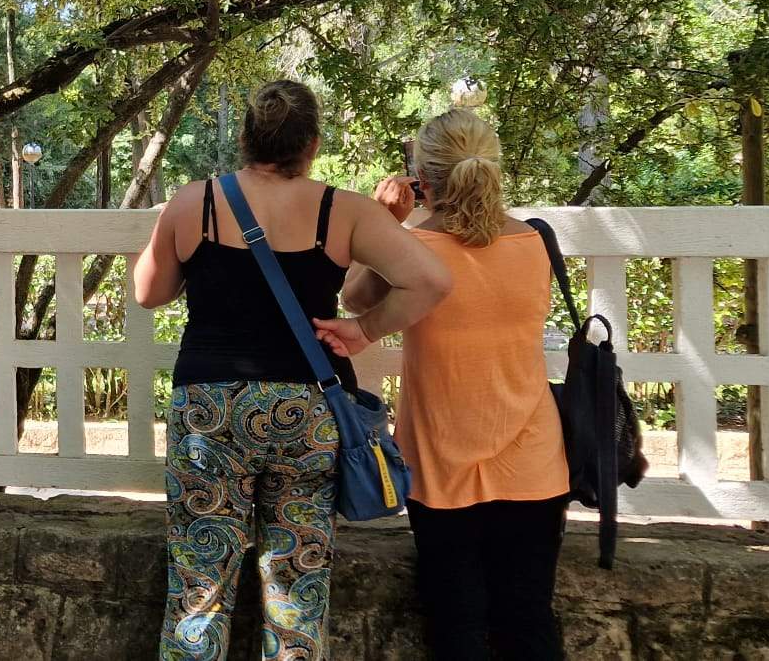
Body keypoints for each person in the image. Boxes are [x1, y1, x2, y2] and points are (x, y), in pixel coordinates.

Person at [133, 80, 452, 661]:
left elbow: (148, 292)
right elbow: (431, 280)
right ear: (312, 144)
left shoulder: (193, 201)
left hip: (211, 410)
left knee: (199, 581)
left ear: (246, 140)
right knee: (296, 584)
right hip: (305, 413)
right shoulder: (344, 210)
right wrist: (365, 329)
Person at [342, 109, 569, 660]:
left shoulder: (414, 249)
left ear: (422, 175)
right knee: (528, 621)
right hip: (535, 459)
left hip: (440, 457)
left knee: (456, 623)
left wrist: (383, 220)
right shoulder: (536, 243)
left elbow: (354, 299)